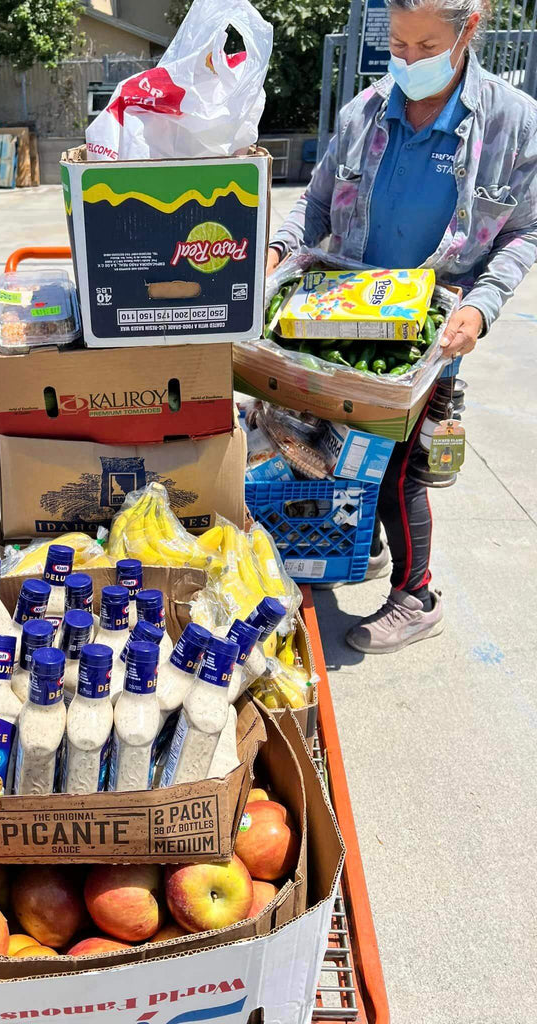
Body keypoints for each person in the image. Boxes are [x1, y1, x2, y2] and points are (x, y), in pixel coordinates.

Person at [268, 0, 537, 654]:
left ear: (469, 29)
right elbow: (317, 204)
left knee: (396, 470)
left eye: (427, 46)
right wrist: (277, 250)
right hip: (346, 322)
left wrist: (481, 307)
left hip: (428, 339)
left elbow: (524, 230)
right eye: (398, 45)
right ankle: (371, 546)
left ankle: (417, 597)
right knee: (335, 448)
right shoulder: (364, 114)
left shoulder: (512, 123)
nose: (410, 62)